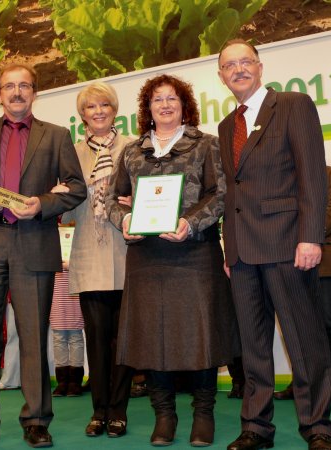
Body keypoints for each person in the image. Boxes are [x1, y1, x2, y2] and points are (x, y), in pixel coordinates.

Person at [0, 62, 87, 449]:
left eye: (24, 85)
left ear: (34, 92)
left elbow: (76, 188)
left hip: (32, 242)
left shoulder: (57, 135)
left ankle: (36, 420)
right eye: (9, 86)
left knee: (32, 338)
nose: (16, 92)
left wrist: (41, 204)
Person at [106, 74, 239, 447]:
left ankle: (203, 413)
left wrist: (189, 223)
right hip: (146, 257)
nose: (164, 105)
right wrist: (125, 221)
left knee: (202, 335)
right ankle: (164, 415)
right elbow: (113, 200)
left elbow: (220, 195)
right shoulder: (132, 152)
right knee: (151, 338)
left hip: (195, 253)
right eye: (157, 100)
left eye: (172, 99)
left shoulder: (206, 145)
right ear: (147, 108)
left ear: (185, 106)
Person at [216, 39, 331, 450]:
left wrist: (310, 236)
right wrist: (228, 249)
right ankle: (255, 428)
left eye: (245, 61)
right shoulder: (225, 125)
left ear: (260, 66)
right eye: (229, 65)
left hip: (288, 244)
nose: (238, 69)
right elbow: (232, 193)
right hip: (242, 253)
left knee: (304, 341)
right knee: (252, 347)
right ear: (221, 76)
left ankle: (317, 427)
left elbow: (312, 177)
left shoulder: (293, 104)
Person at [61, 81, 135, 439]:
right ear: (83, 116)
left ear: (114, 109)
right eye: (91, 107)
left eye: (104, 104)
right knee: (95, 338)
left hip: (126, 253)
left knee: (123, 341)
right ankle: (99, 410)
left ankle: (118, 411)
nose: (98, 111)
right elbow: (68, 210)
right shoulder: (71, 153)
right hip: (89, 255)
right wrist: (57, 197)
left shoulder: (134, 147)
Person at [275, 166, 331, 403]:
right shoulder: (281, 176)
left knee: (330, 323)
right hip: (289, 261)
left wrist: (300, 237)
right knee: (296, 326)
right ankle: (303, 381)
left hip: (327, 259)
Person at [50, 260, 85, 397]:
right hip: (56, 298)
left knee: (76, 338)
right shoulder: (52, 241)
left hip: (75, 295)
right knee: (59, 339)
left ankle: (75, 382)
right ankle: (62, 382)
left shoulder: (77, 241)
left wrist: (72, 264)